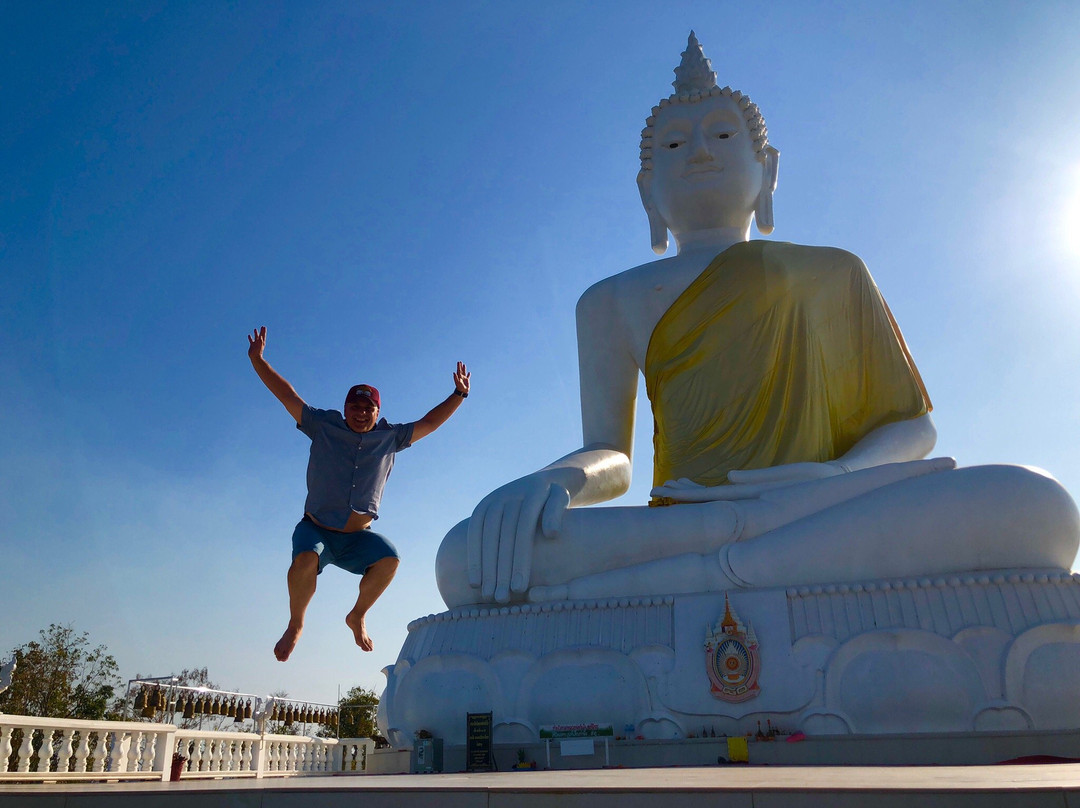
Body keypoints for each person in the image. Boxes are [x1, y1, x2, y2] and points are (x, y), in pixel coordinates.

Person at [434, 33, 1079, 608]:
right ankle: (732, 562)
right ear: (646, 189)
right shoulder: (608, 301)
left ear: (767, 170)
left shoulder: (831, 270)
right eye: (674, 145)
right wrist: (559, 480)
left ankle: (682, 579)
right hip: (685, 522)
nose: (699, 154)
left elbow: (912, 429)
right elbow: (616, 456)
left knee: (1037, 507)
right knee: (467, 556)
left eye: (721, 135)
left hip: (823, 509)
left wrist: (834, 480)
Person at [247, 326, 470, 660]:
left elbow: (430, 422)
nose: (361, 413)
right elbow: (287, 395)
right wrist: (258, 360)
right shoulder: (323, 425)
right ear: (345, 407)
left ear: (377, 412)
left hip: (357, 539)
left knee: (389, 559)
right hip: (316, 528)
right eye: (355, 406)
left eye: (368, 408)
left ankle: (358, 615)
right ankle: (296, 624)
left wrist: (458, 395)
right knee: (306, 558)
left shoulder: (391, 437)